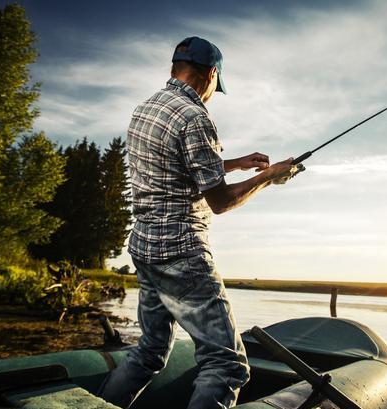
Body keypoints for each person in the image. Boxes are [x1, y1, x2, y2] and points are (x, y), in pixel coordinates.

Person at [99, 36, 303, 409]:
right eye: (215, 85)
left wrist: (236, 162)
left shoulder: (145, 109)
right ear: (211, 74)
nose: (213, 93)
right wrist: (268, 177)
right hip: (181, 251)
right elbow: (221, 201)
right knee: (226, 365)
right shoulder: (195, 117)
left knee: (150, 350)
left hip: (144, 246)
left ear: (176, 68)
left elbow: (174, 163)